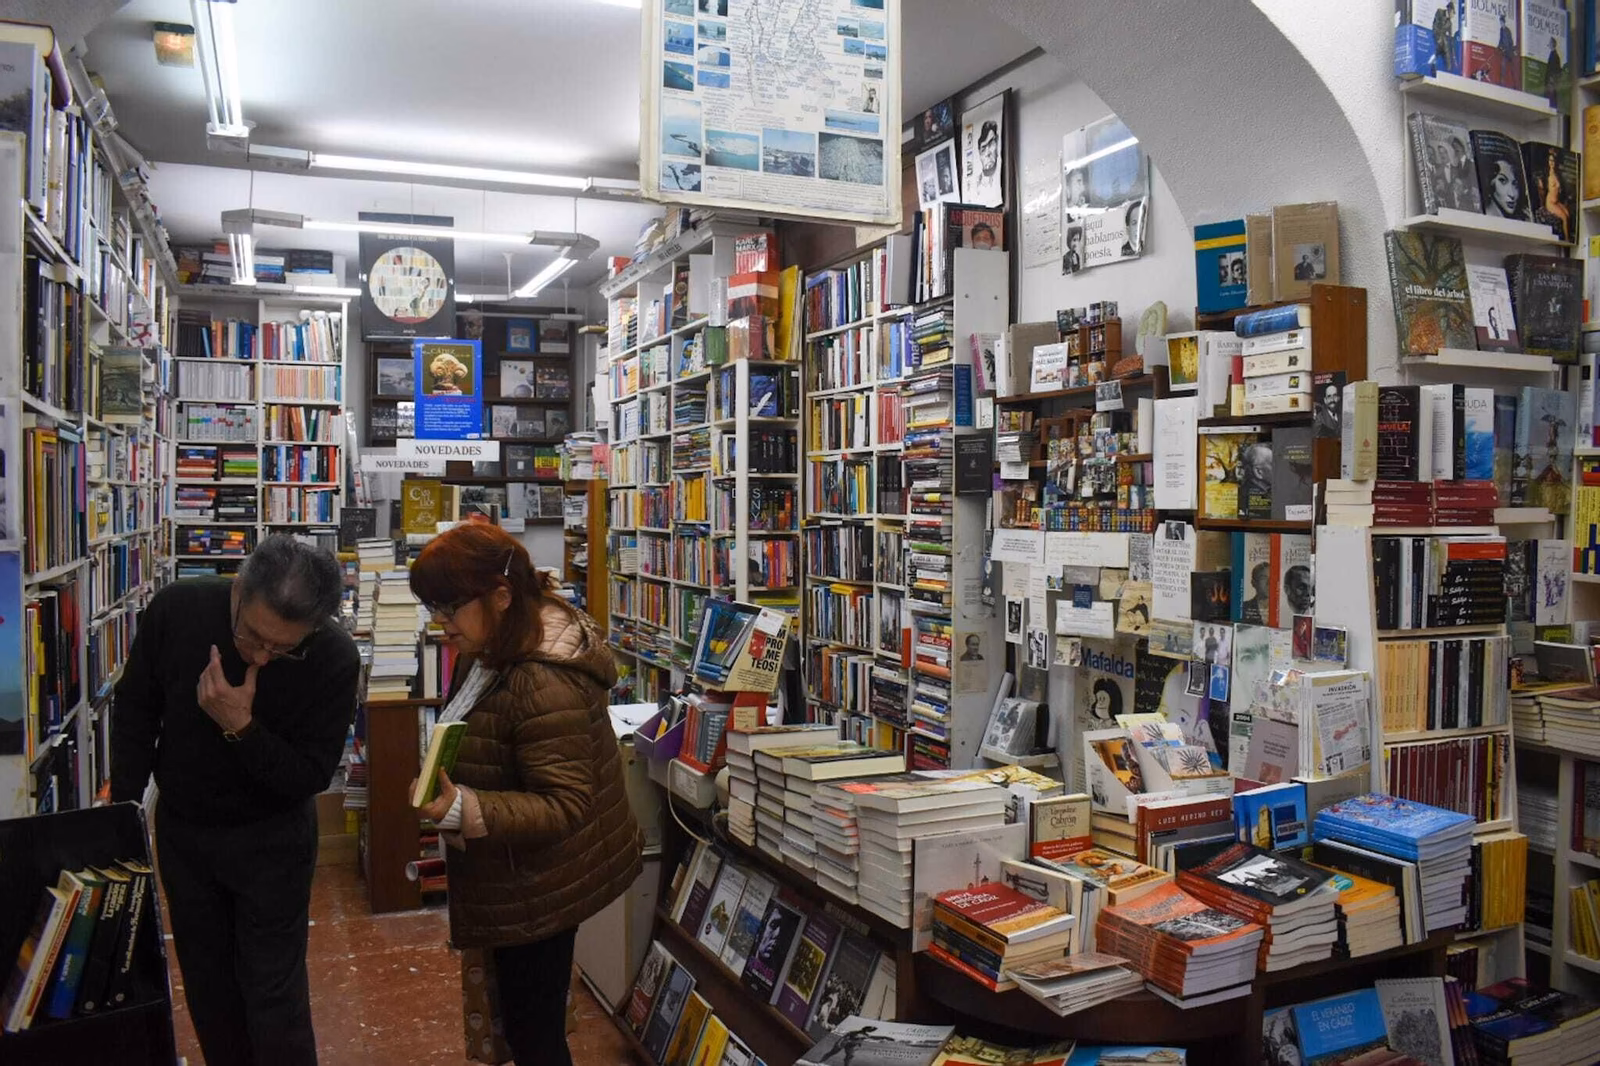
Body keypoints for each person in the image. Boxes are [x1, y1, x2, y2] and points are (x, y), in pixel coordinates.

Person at [111, 535, 360, 1066]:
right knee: (207, 986)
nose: (261, 657)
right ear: (240, 589)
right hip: (186, 831)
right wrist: (122, 819)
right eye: (252, 636)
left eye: (283, 648)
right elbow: (134, 710)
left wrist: (241, 728)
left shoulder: (335, 657)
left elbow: (309, 777)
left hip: (275, 840)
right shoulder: (179, 607)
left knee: (275, 994)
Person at [408, 523, 643, 1066]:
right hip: (515, 872)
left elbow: (565, 803)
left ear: (502, 595)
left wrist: (465, 807)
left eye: (449, 609)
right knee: (523, 1018)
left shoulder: (542, 679)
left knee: (533, 1030)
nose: (441, 625)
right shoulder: (492, 643)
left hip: (542, 882)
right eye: (433, 610)